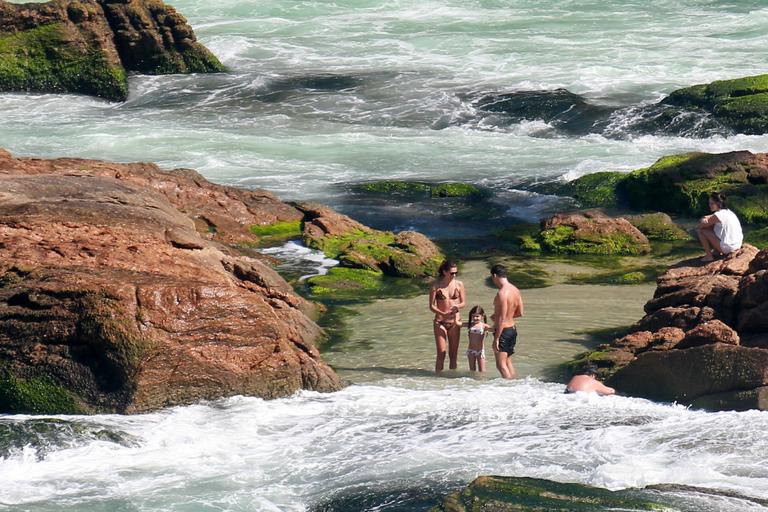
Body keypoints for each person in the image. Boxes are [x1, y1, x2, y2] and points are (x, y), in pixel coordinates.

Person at [429, 259, 466, 373]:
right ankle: (438, 378)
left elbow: (464, 302)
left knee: (453, 354)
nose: (454, 275)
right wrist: (442, 313)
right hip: (440, 322)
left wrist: (457, 306)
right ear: (444, 272)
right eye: (451, 273)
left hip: (455, 322)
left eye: (456, 273)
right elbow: (431, 306)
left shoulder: (459, 284)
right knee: (441, 352)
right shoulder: (436, 286)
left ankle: (452, 381)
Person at [489, 264, 523, 379]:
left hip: (503, 331)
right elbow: (520, 313)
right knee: (508, 362)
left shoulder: (502, 293)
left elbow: (502, 319)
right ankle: (513, 384)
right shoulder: (515, 290)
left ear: (494, 275)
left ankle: (509, 388)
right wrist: (503, 316)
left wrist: (496, 339)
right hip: (512, 329)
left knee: (501, 365)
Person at [697, 192, 743, 262]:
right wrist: (705, 218)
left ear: (719, 203)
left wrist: (702, 220)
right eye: (709, 203)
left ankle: (709, 256)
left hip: (728, 248)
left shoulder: (718, 215)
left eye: (712, 203)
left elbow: (701, 226)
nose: (709, 205)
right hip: (738, 244)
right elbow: (711, 217)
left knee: (701, 230)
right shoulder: (728, 212)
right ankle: (717, 251)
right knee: (713, 226)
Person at [462, 305, 493, 372]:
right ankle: (473, 382)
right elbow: (458, 324)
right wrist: (456, 313)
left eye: (477, 316)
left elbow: (493, 330)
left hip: (480, 351)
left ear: (482, 316)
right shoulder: (470, 325)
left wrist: (496, 319)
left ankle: (482, 382)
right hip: (471, 351)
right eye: (473, 316)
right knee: (472, 371)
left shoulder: (484, 326)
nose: (475, 318)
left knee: (482, 371)